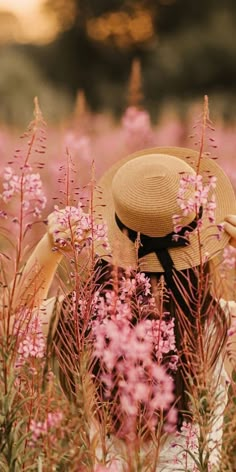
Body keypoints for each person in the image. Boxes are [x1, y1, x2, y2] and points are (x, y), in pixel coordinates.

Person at [3, 146, 236, 470]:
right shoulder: (221, 326)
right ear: (200, 247)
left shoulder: (79, 319)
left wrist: (49, 248)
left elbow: (9, 333)